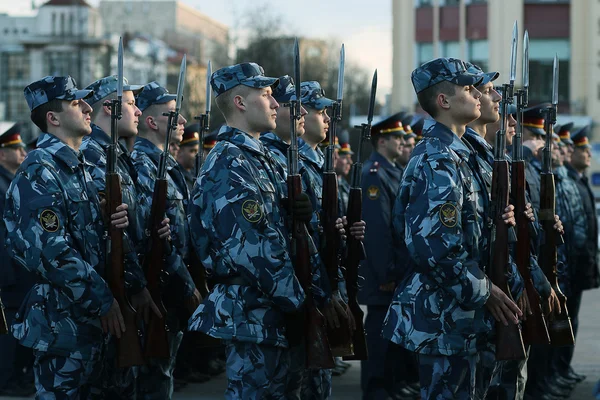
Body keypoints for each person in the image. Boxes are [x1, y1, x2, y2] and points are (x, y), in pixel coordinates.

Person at [381, 58, 522, 400]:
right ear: (443, 101)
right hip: (444, 320)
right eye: (468, 88)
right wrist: (486, 291)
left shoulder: (464, 155)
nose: (478, 94)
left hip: (469, 318)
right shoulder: (436, 158)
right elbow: (435, 247)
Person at [4, 75, 130, 398]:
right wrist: (103, 300)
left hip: (91, 326)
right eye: (77, 103)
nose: (89, 108)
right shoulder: (39, 170)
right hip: (63, 328)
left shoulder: (78, 167)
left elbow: (83, 237)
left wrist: (109, 222)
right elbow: (52, 252)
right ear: (53, 118)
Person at [187, 62, 308, 399]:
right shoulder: (229, 162)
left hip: (274, 309)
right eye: (267, 95)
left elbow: (280, 232)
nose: (275, 104)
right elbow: (252, 248)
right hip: (254, 315)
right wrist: (296, 302)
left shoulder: (261, 158)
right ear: (240, 103)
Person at [80, 75, 169, 399]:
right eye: (131, 103)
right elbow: (107, 236)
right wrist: (135, 285)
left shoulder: (117, 153)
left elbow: (130, 228)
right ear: (109, 107)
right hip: (109, 296)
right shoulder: (93, 155)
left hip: (128, 291)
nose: (136, 110)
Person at [133, 81, 201, 400]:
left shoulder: (165, 165)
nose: (183, 121)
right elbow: (156, 238)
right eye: (173, 114)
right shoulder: (144, 166)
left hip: (171, 290)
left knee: (162, 375)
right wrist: (187, 286)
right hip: (160, 289)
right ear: (151, 122)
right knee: (153, 381)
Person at [359, 113, 419, 400]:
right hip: (382, 272)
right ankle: (376, 387)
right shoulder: (374, 174)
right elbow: (377, 230)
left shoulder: (391, 171)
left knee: (392, 333)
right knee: (379, 333)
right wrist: (386, 273)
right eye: (396, 138)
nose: (402, 142)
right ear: (382, 141)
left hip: (396, 269)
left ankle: (392, 384)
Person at [0, 124, 35, 397]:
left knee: (20, 322)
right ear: (2, 154)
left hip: (19, 267)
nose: (23, 152)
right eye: (17, 149)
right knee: (8, 327)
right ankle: (7, 379)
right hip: (7, 271)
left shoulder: (10, 180)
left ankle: (19, 375)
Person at [563, 126, 600, 381]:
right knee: (562, 323)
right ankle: (552, 374)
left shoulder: (580, 180)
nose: (588, 155)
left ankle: (561, 370)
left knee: (570, 321)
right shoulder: (567, 179)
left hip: (579, 262)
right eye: (583, 150)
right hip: (568, 263)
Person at [177, 125, 201, 192]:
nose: (196, 155)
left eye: (197, 151)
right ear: (180, 151)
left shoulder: (196, 173)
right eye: (192, 151)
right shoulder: (176, 175)